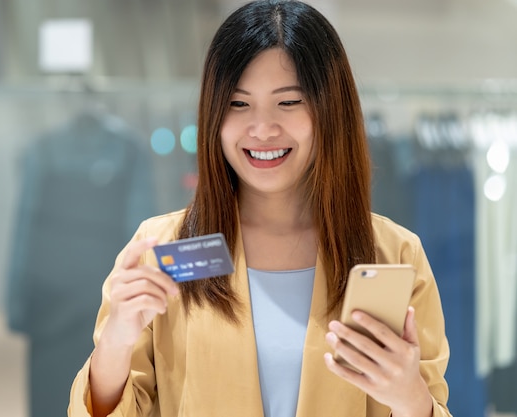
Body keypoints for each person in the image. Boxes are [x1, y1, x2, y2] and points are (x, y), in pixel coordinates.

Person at [68, 1, 452, 416]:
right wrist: (115, 342)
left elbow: (432, 403)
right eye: (238, 104)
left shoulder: (395, 255)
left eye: (288, 103)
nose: (263, 128)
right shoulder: (165, 251)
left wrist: (411, 399)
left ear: (330, 110)